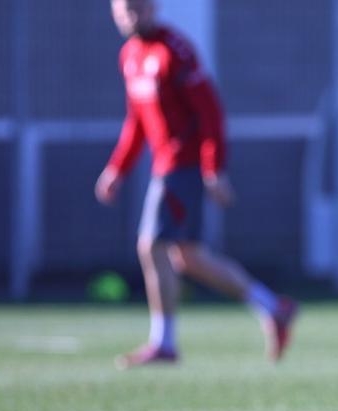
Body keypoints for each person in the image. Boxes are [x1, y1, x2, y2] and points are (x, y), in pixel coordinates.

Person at [97, 0, 297, 368]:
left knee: (150, 246)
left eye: (138, 7)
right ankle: (274, 306)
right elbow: (136, 122)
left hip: (182, 165)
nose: (131, 16)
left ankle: (165, 343)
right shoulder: (130, 55)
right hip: (164, 166)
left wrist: (213, 168)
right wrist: (117, 169)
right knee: (188, 258)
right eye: (124, 9)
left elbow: (210, 112)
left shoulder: (176, 50)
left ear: (154, 7)